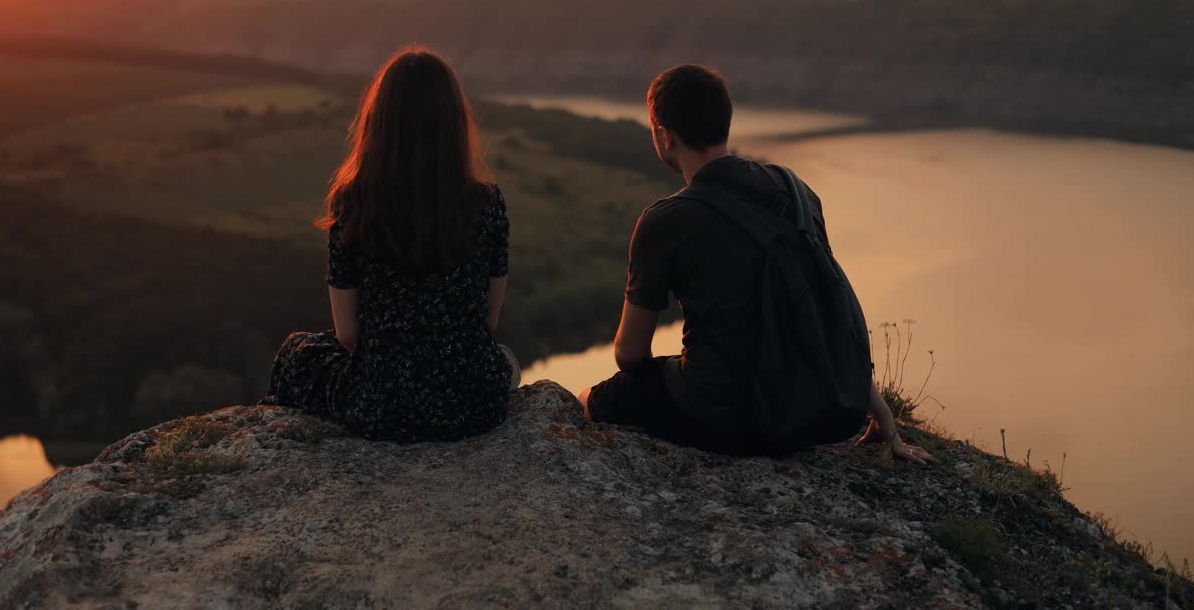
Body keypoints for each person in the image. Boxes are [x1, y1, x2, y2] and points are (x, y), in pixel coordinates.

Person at [577, 64, 933, 464]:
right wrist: (882, 413)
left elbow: (630, 355)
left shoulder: (663, 222)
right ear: (724, 122)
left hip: (724, 419)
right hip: (812, 415)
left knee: (593, 399)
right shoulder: (796, 191)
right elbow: (821, 309)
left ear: (665, 135)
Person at [263, 47, 520, 442]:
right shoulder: (487, 202)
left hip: (382, 404)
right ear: (453, 121)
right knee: (505, 362)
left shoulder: (352, 202)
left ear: (378, 122)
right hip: (473, 400)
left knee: (297, 352)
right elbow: (488, 321)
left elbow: (347, 335)